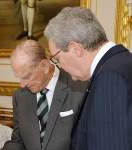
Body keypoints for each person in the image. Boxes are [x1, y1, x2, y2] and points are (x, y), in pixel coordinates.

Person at [44, 7, 132, 150]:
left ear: (75, 49)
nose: (60, 66)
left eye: (57, 59)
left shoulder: (110, 78)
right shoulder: (123, 62)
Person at [2, 40, 86, 150]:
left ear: (45, 66)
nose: (22, 85)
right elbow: (18, 141)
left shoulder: (79, 89)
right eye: (19, 77)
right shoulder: (20, 96)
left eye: (26, 76)